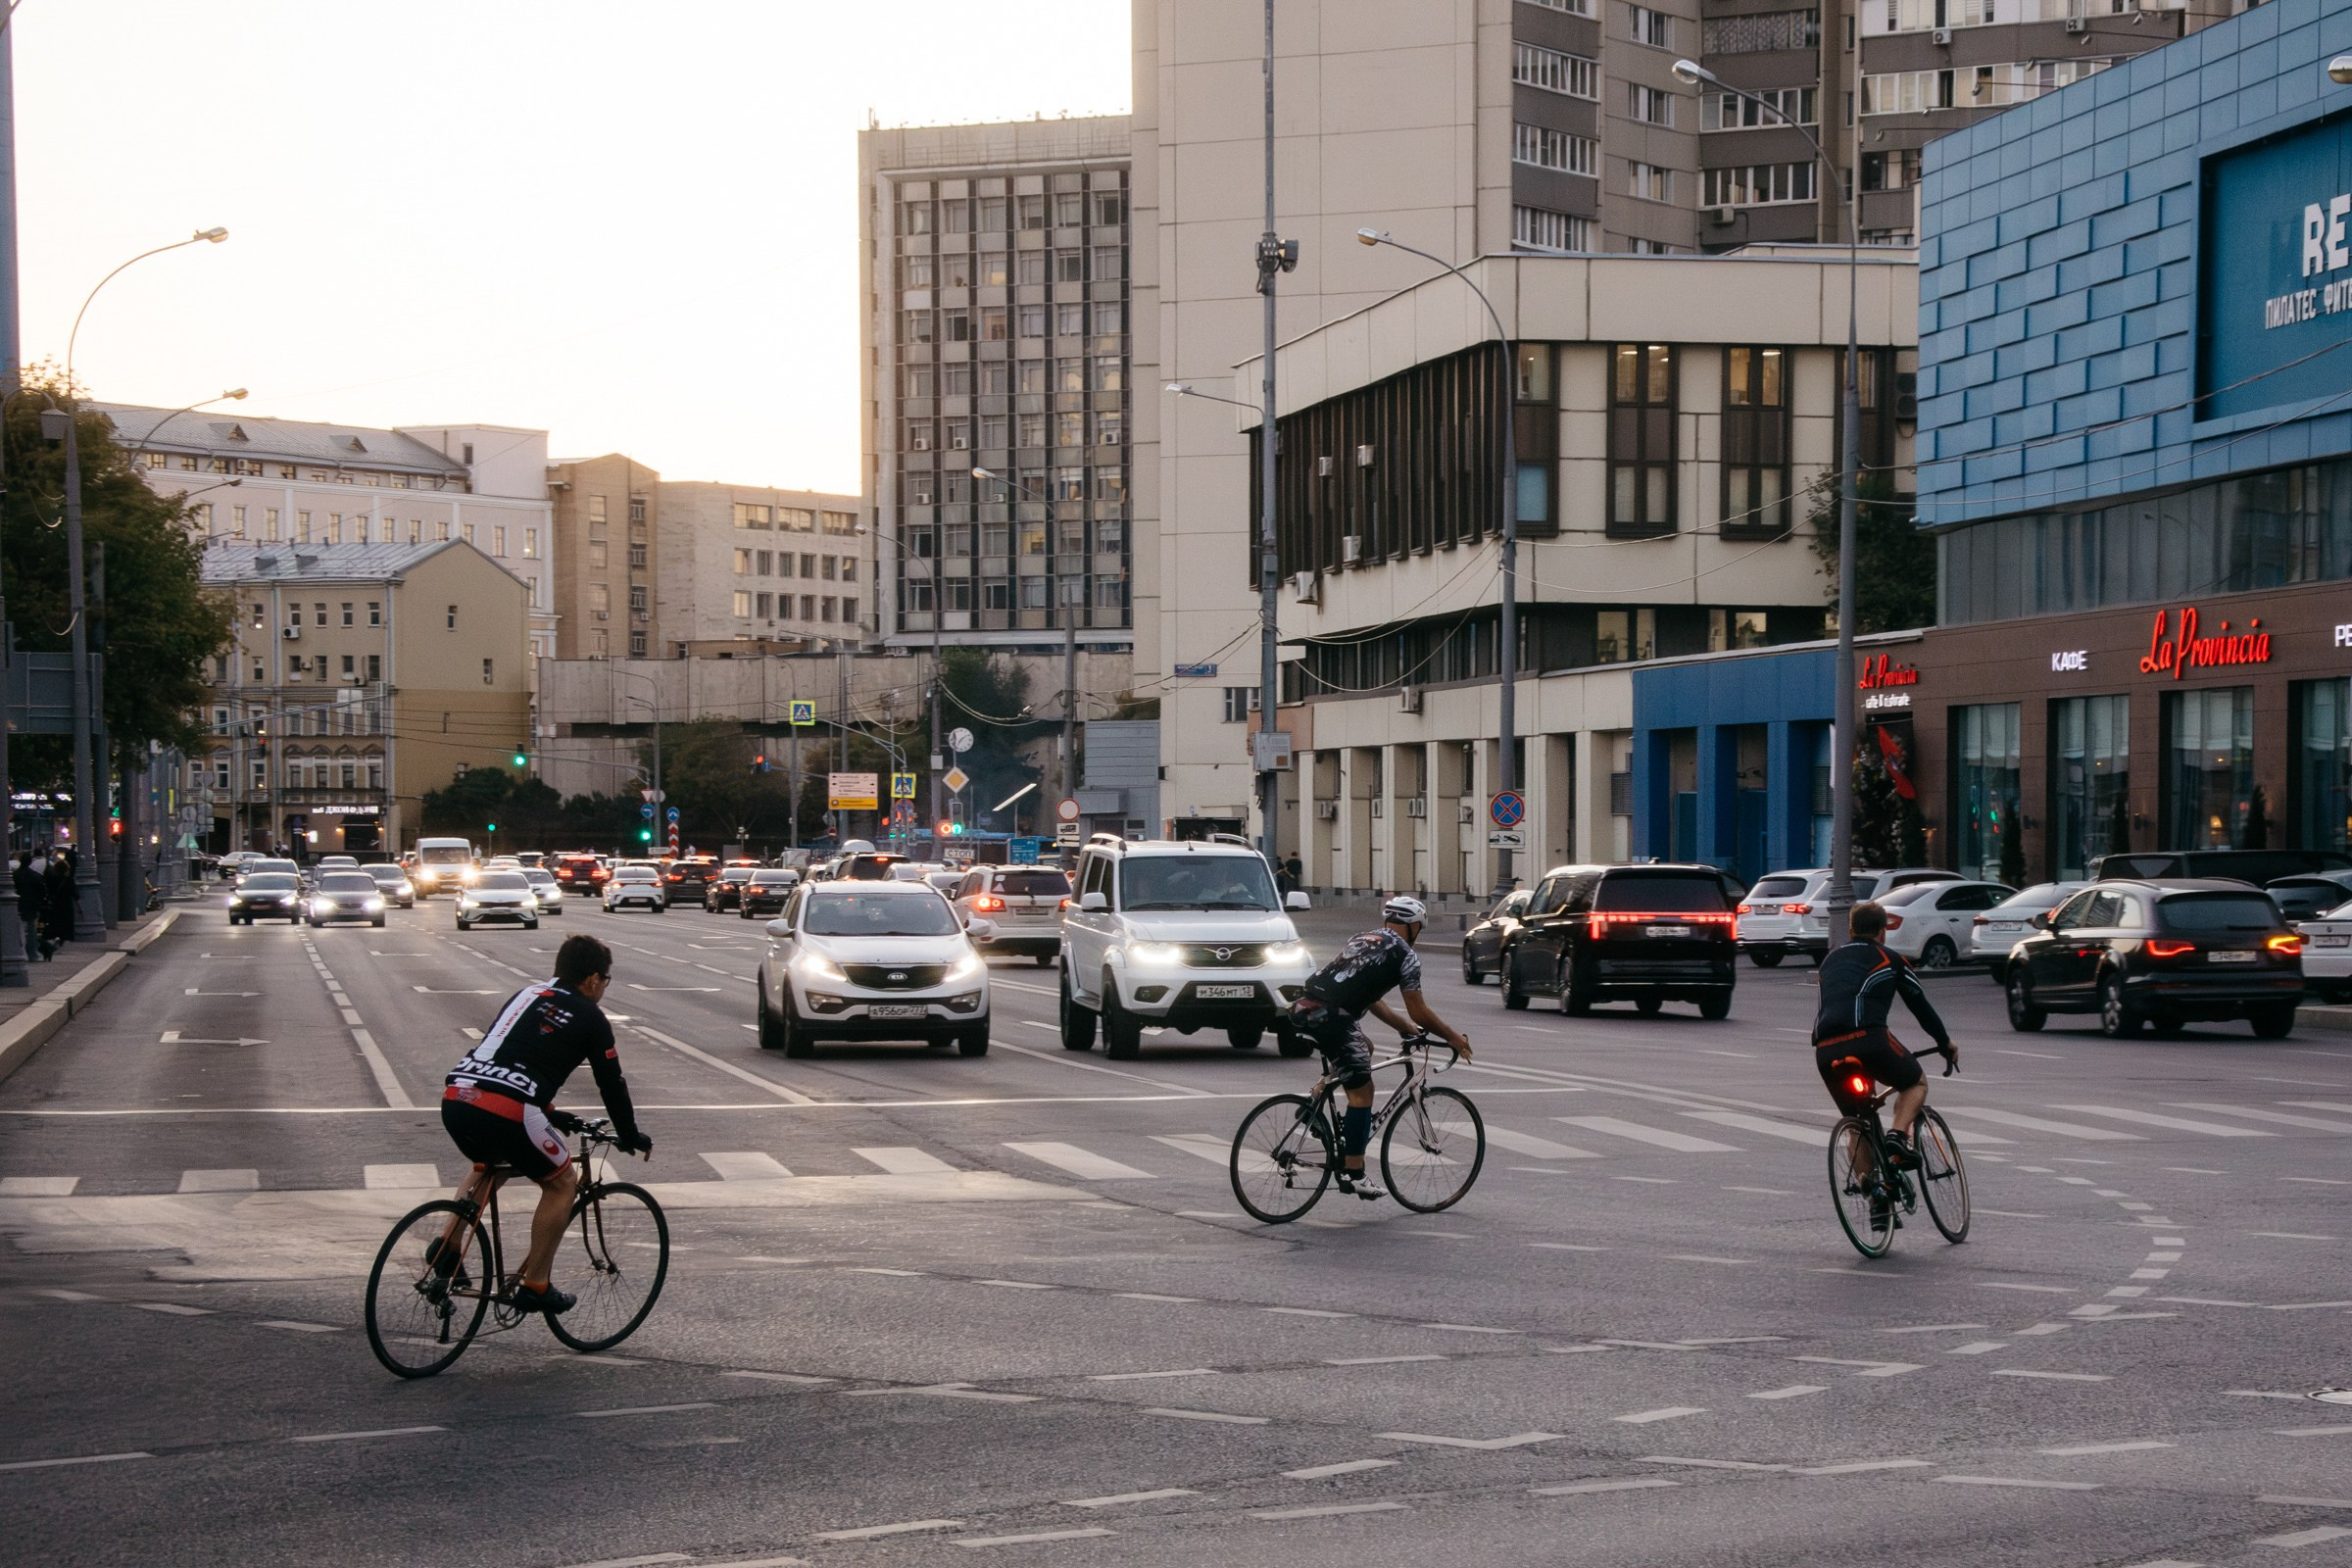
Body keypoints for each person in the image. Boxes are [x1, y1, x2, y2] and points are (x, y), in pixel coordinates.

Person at [439, 933, 651, 1314]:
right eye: (605, 980)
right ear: (591, 979)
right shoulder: (591, 1017)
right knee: (562, 1183)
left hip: (458, 1096)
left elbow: (509, 1060)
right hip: (507, 1109)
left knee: (492, 1164)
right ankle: (536, 1284)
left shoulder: (526, 995)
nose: (604, 988)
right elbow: (611, 1083)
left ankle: (447, 1245)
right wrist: (629, 1133)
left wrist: (551, 1113)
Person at [1283, 894, 1472, 1200]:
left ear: (1388, 921)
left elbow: (1372, 1000)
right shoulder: (1406, 956)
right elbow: (1419, 1009)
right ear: (1414, 928)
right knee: (1362, 1093)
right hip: (1333, 1017)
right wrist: (1452, 1036)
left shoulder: (1362, 939)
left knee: (1362, 1049)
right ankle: (1353, 1174)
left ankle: (1313, 1104)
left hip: (1304, 1007)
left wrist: (1407, 1030)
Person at [1811, 900, 1957, 1167]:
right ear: (1883, 931)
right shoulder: (1891, 959)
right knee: (1915, 1083)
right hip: (1869, 1041)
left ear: (1852, 928)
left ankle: (1871, 1193)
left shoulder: (1829, 961)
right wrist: (1944, 1042)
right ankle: (1898, 1138)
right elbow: (1921, 1007)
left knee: (1857, 1122)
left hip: (1825, 1050)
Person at [12, 853, 45, 963]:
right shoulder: (35, 876)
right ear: (30, 862)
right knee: (31, 930)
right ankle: (33, 953)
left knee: (19, 930)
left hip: (18, 905)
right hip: (32, 905)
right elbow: (42, 891)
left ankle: (21, 952)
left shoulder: (15, 875)